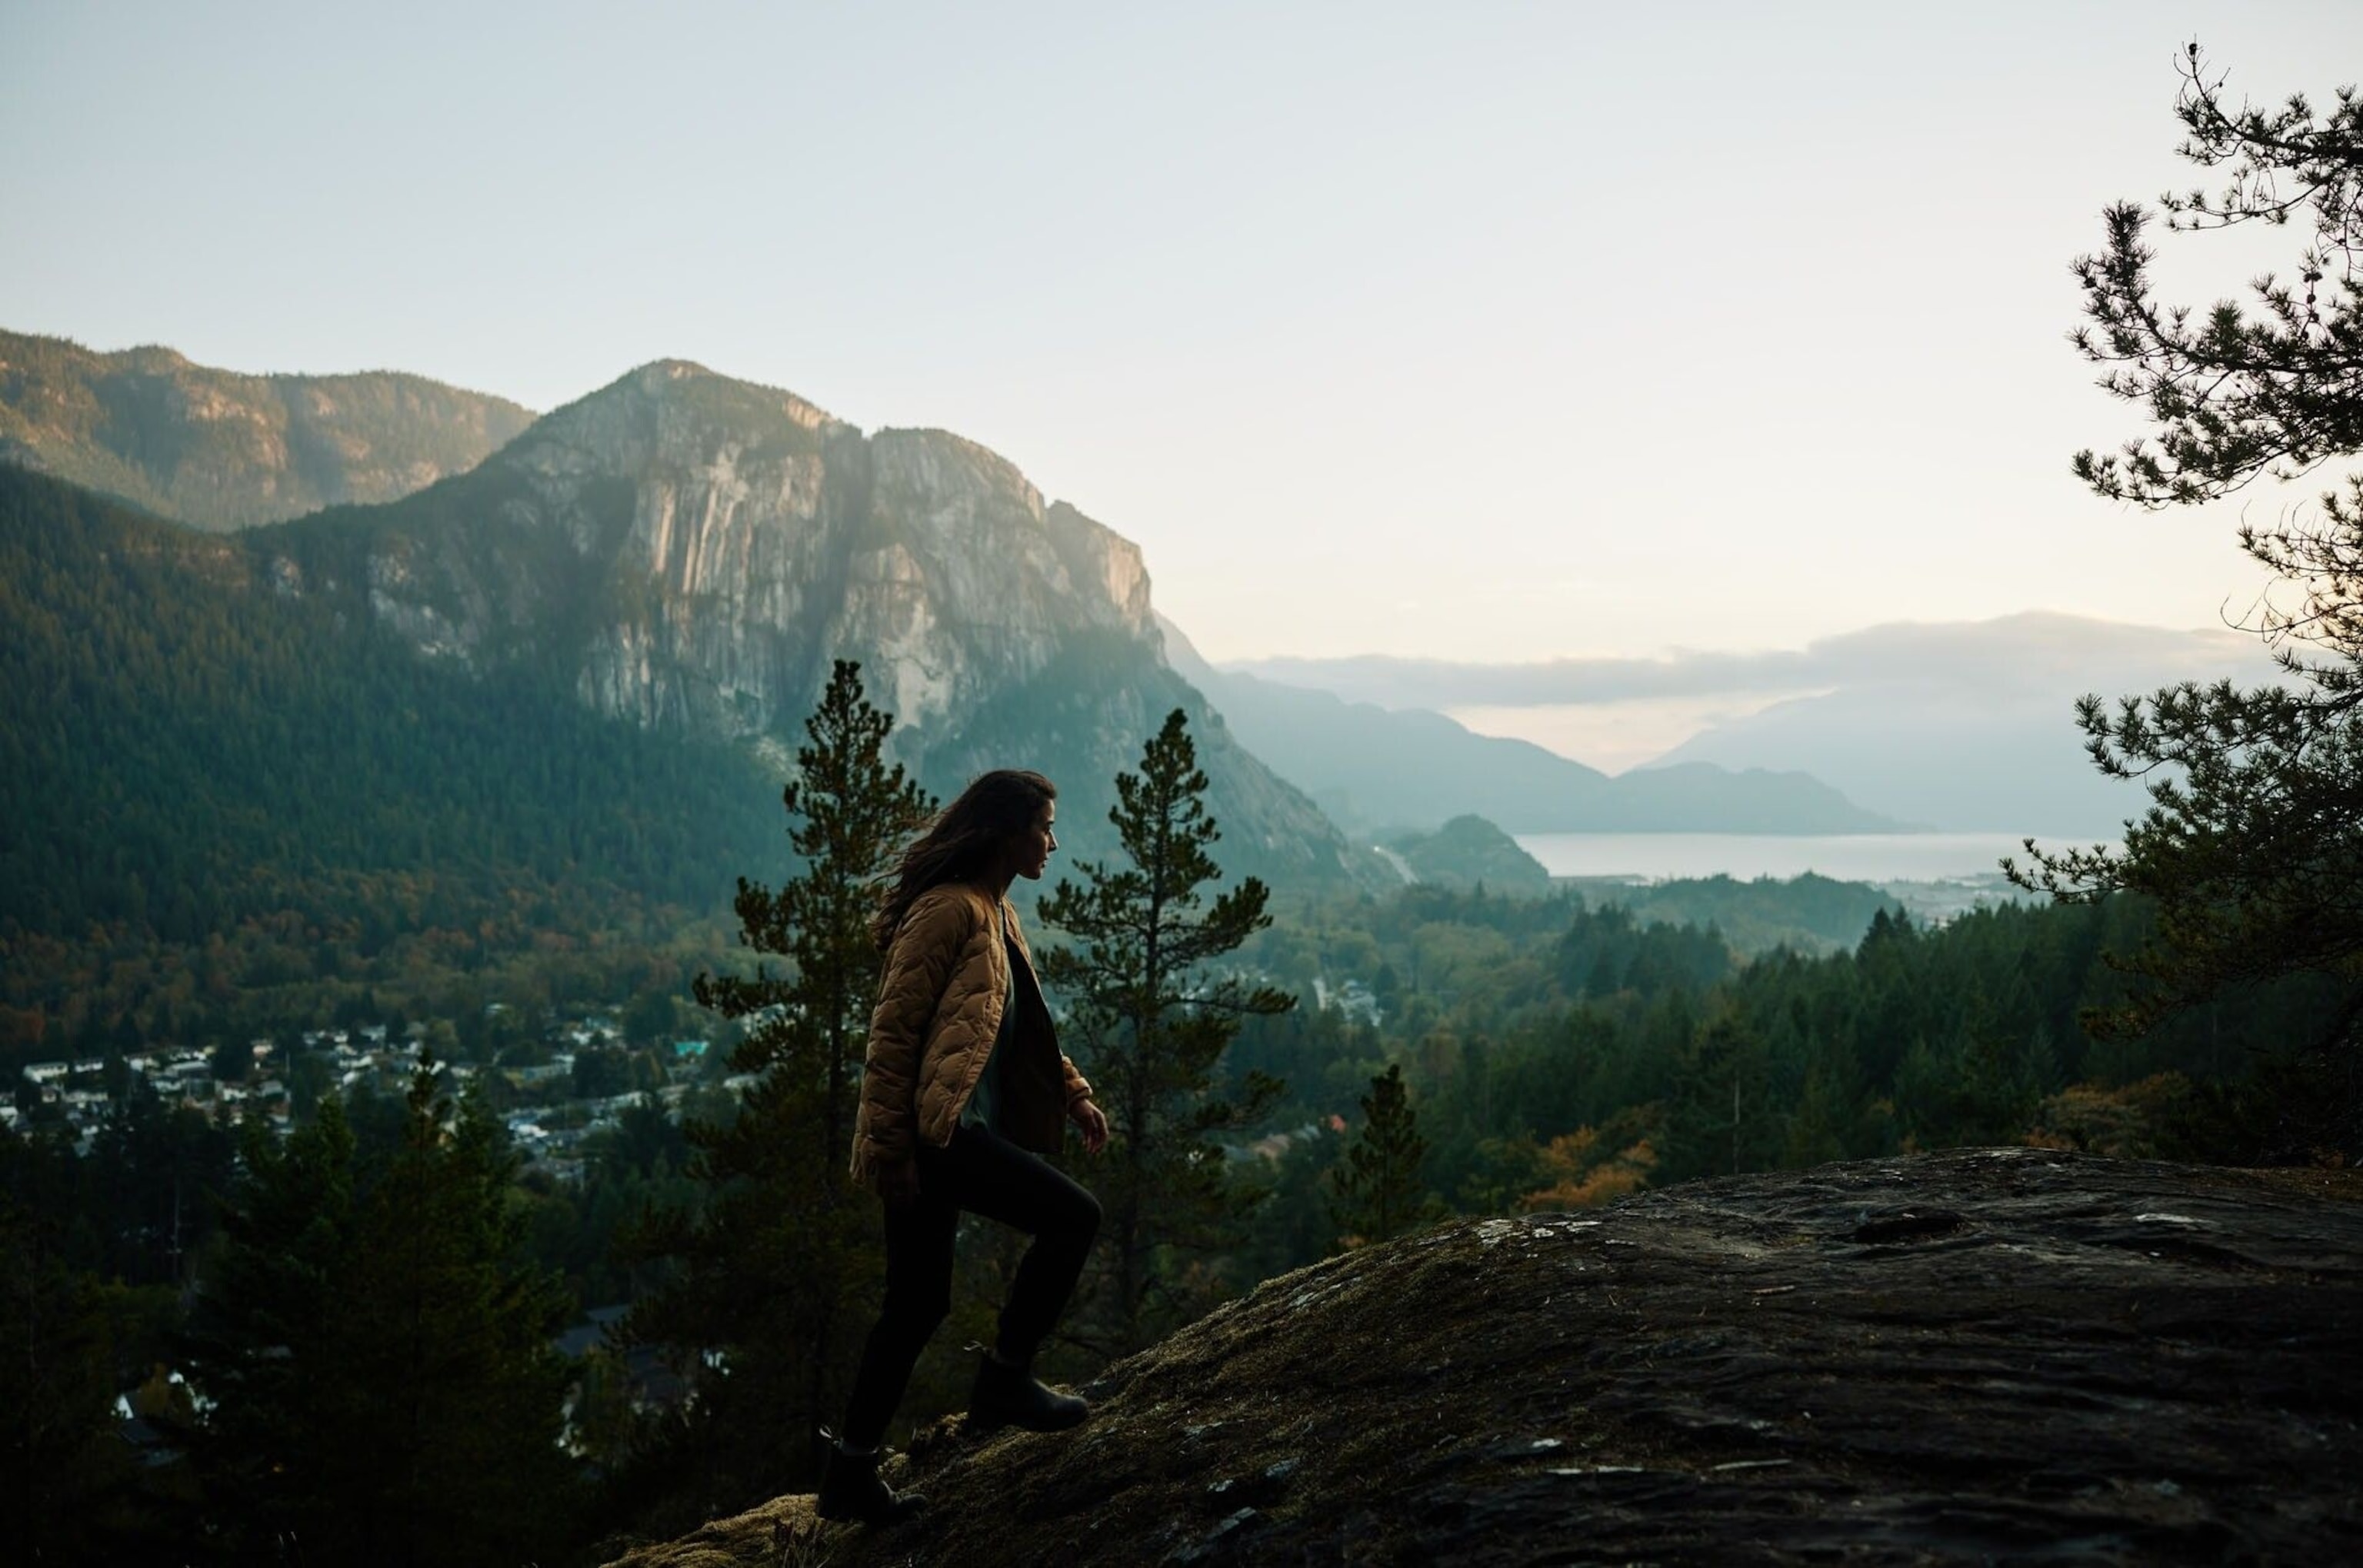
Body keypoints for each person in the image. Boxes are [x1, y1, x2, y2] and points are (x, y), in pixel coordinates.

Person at [817, 769, 1111, 1526]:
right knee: (1073, 1217)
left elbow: (1016, 1029)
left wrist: (1073, 1093)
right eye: (1044, 826)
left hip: (943, 1134)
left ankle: (850, 1471)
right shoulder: (947, 909)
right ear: (1008, 831)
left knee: (916, 1304)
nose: (1052, 842)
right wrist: (892, 1153)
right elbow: (891, 1038)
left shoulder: (995, 911)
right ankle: (1006, 1377)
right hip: (939, 1136)